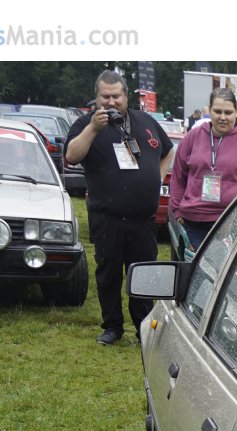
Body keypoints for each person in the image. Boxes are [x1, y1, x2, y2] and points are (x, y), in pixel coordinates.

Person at [65, 70, 173, 346]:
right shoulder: (85, 125)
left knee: (143, 275)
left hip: (142, 219)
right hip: (107, 217)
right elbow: (72, 155)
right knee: (109, 273)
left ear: (126, 96)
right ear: (97, 97)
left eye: (116, 96)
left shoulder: (145, 122)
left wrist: (157, 177)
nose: (111, 102)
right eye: (106, 96)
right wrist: (93, 128)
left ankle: (143, 327)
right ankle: (112, 326)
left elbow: (168, 150)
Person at [168, 88, 237, 252]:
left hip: (234, 225)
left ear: (236, 113)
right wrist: (177, 211)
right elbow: (177, 178)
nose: (223, 117)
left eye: (228, 112)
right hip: (193, 224)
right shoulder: (192, 138)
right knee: (196, 275)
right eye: (217, 111)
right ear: (210, 111)